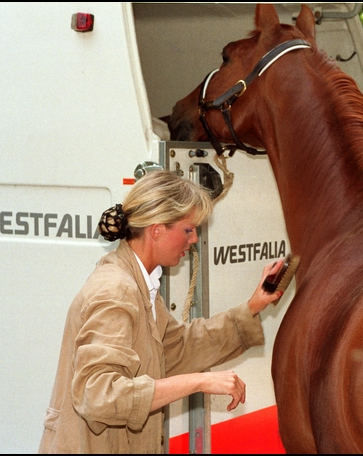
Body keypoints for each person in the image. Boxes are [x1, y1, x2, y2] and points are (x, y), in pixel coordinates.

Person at [38, 170, 284, 453]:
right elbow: (99, 394)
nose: (193, 241)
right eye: (188, 230)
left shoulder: (141, 285)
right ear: (157, 230)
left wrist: (254, 305)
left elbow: (177, 348)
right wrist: (199, 381)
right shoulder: (115, 290)